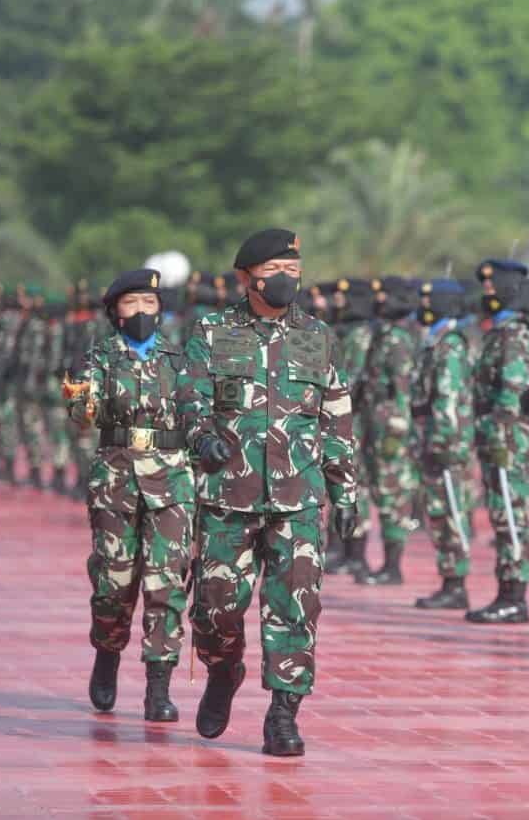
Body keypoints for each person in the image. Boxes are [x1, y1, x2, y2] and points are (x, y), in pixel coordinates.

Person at [181, 228, 357, 756]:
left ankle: (283, 714)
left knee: (295, 608)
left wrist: (344, 492)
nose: (287, 281)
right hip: (227, 497)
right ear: (246, 278)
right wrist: (202, 437)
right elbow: (189, 397)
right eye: (275, 272)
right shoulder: (212, 331)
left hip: (298, 496)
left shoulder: (316, 336)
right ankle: (222, 668)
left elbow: (337, 415)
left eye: (294, 272)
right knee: (215, 609)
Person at [66, 268, 194, 723]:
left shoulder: (180, 360)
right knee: (113, 586)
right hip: (116, 483)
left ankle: (158, 688)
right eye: (131, 304)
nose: (142, 312)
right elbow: (82, 415)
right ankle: (107, 650)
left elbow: (198, 415)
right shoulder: (97, 359)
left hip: (172, 485)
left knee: (167, 585)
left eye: (150, 304)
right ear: (115, 312)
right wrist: (78, 389)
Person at [466, 260, 529, 624]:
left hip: (507, 435)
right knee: (500, 511)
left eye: (495, 284)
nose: (488, 290)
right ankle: (506, 590)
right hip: (496, 433)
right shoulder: (501, 330)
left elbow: (513, 389)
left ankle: (515, 597)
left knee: (511, 514)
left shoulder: (515, 333)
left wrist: (499, 431)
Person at [412, 279, 476, 609]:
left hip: (445, 443)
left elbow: (448, 397)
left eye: (429, 299)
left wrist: (442, 442)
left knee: (451, 509)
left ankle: (456, 584)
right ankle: (449, 579)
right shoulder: (434, 340)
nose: (423, 306)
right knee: (439, 510)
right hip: (434, 439)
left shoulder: (449, 344)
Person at [356, 276, 419, 585]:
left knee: (393, 492)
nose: (379, 301)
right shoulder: (385, 335)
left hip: (390, 426)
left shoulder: (399, 340)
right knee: (379, 489)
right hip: (374, 421)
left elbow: (403, 387)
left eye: (384, 296)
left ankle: (393, 566)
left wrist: (397, 429)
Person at [324, 277, 375, 577]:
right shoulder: (344, 331)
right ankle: (343, 549)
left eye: (343, 298)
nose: (335, 303)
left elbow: (352, 380)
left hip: (353, 418)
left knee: (355, 484)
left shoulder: (360, 335)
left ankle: (356, 554)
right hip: (341, 417)